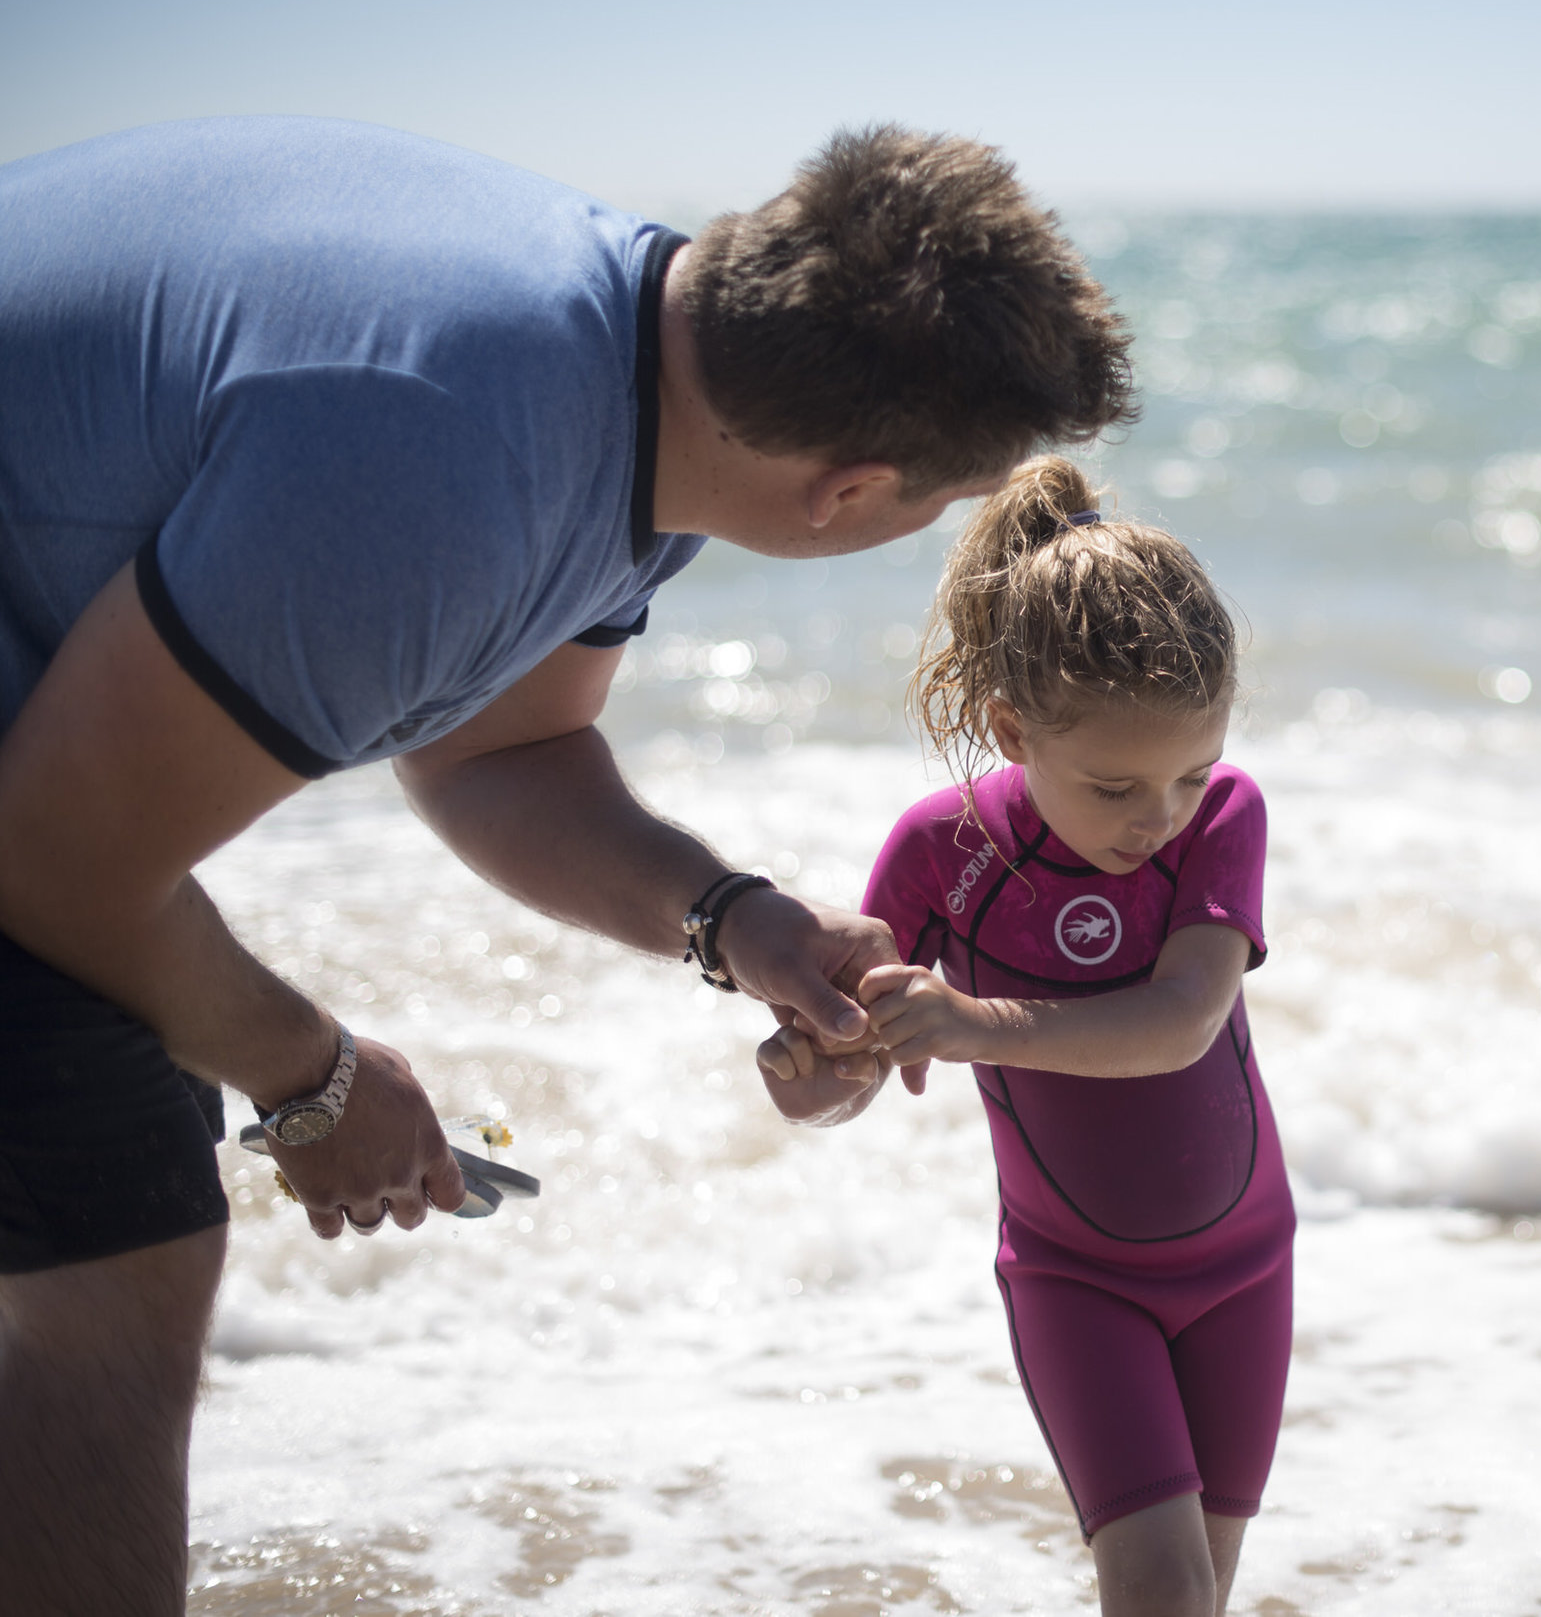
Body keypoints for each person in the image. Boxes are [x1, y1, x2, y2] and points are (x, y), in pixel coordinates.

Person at [0, 118, 1135, 1615]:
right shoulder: (441, 463)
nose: (931, 528)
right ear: (851, 492)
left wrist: (740, 922)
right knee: (114, 1285)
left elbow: (498, 757)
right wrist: (313, 1078)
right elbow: (56, 865)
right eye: (942, 501)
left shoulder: (626, 364)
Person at [760, 458, 1292, 1617]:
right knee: (1156, 1590)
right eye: (1113, 785)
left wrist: (968, 1022)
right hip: (1075, 1279)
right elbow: (853, 1068)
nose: (1155, 819)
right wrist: (813, 1070)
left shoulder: (1224, 820)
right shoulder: (940, 851)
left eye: (1187, 775)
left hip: (1248, 1266)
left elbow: (1183, 1021)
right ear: (1012, 728)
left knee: (1201, 1592)